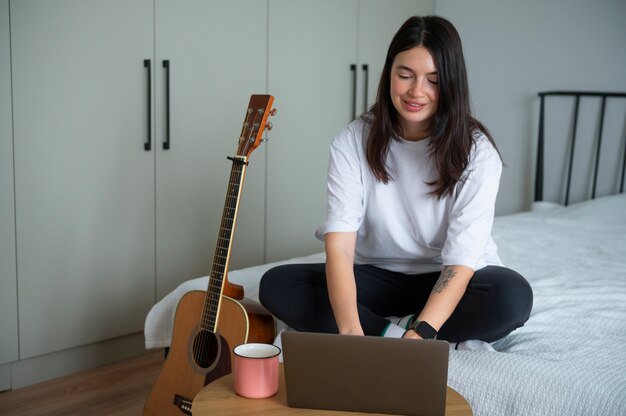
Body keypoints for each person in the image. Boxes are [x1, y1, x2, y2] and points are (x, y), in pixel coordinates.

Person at [259, 15, 532, 344]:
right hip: (377, 275)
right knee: (277, 284)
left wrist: (422, 334)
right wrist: (351, 333)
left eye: (434, 80)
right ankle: (385, 331)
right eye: (405, 75)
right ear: (389, 72)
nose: (417, 91)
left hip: (448, 275)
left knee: (512, 297)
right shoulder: (352, 141)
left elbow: (461, 261)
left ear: (452, 83)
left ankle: (409, 325)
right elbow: (340, 248)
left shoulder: (477, 152)